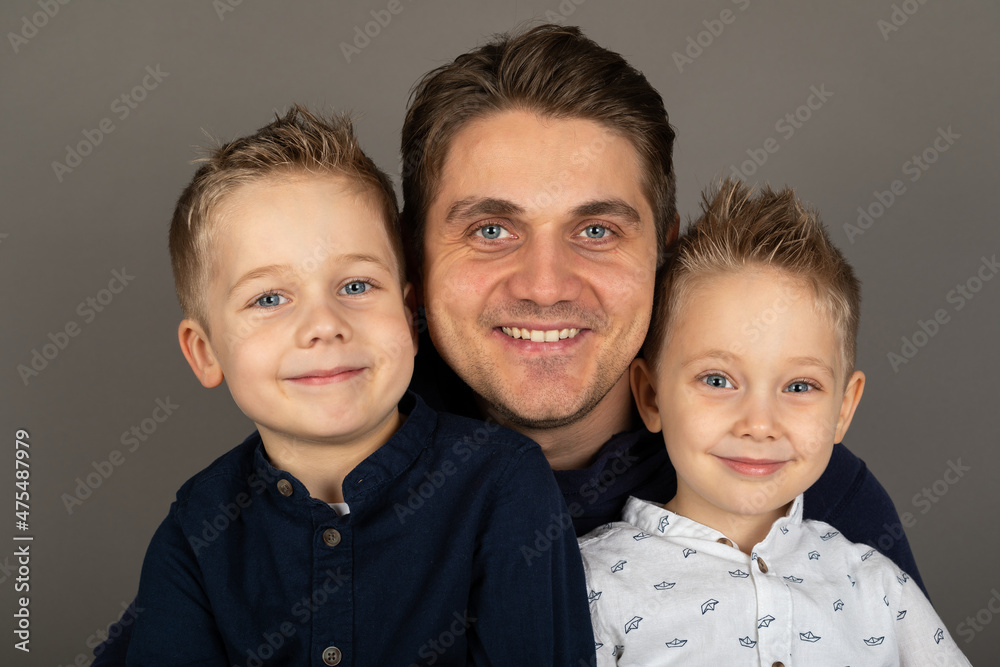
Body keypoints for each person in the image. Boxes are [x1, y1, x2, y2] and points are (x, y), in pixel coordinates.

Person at [94, 24, 923, 664]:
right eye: (491, 228)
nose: (545, 284)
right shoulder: (302, 466)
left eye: (596, 230)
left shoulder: (792, 487)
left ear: (663, 253)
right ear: (414, 259)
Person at [124, 105, 594, 666]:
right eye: (269, 298)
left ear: (411, 317)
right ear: (205, 353)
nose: (324, 325)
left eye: (355, 285)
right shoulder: (198, 525)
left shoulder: (502, 483)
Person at [580, 179, 970, 665]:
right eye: (718, 380)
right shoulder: (592, 586)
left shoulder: (879, 588)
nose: (759, 424)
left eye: (800, 387)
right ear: (651, 396)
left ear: (843, 410)